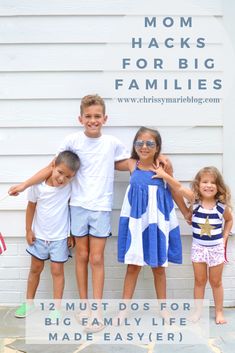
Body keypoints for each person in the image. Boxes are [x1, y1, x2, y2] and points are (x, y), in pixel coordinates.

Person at [9, 95, 175, 305]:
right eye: (88, 116)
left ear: (105, 118)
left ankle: (96, 307)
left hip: (101, 207)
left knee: (96, 258)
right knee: (82, 256)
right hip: (78, 206)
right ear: (81, 119)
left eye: (97, 116)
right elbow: (52, 167)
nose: (93, 120)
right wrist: (24, 185)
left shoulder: (111, 143)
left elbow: (130, 162)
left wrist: (158, 156)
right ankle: (84, 306)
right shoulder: (72, 141)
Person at [153, 165, 233, 324]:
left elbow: (230, 220)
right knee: (199, 281)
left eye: (213, 182)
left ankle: (219, 312)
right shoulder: (194, 202)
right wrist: (164, 175)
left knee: (216, 282)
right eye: (205, 181)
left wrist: (225, 236)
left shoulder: (221, 207)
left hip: (216, 249)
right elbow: (178, 187)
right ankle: (197, 312)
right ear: (198, 185)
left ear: (218, 187)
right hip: (198, 249)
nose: (208, 185)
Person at [116, 127, 185, 302]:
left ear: (157, 147)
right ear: (134, 145)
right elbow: (106, 161)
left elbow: (174, 189)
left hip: (158, 220)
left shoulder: (163, 166)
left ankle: (164, 309)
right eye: (139, 143)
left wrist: (186, 212)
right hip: (137, 220)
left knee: (159, 267)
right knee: (132, 266)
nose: (144, 147)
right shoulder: (132, 164)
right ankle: (124, 309)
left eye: (150, 143)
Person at [15, 151, 80, 318]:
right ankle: (29, 304)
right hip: (39, 237)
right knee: (35, 269)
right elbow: (31, 207)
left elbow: (71, 210)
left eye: (68, 176)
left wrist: (70, 233)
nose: (62, 179)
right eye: (60, 172)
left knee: (57, 271)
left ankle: (57, 308)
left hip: (59, 239)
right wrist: (28, 230)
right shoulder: (38, 187)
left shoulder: (69, 188)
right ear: (52, 167)